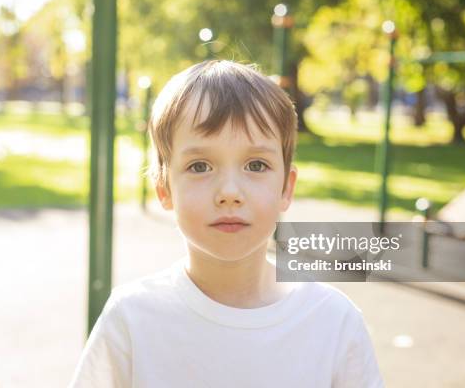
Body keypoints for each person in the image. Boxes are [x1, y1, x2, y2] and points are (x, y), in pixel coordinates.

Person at [69, 60, 384, 387]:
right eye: (200, 166)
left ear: (286, 189)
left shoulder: (332, 323)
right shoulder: (132, 319)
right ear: (164, 189)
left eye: (256, 165)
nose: (230, 193)